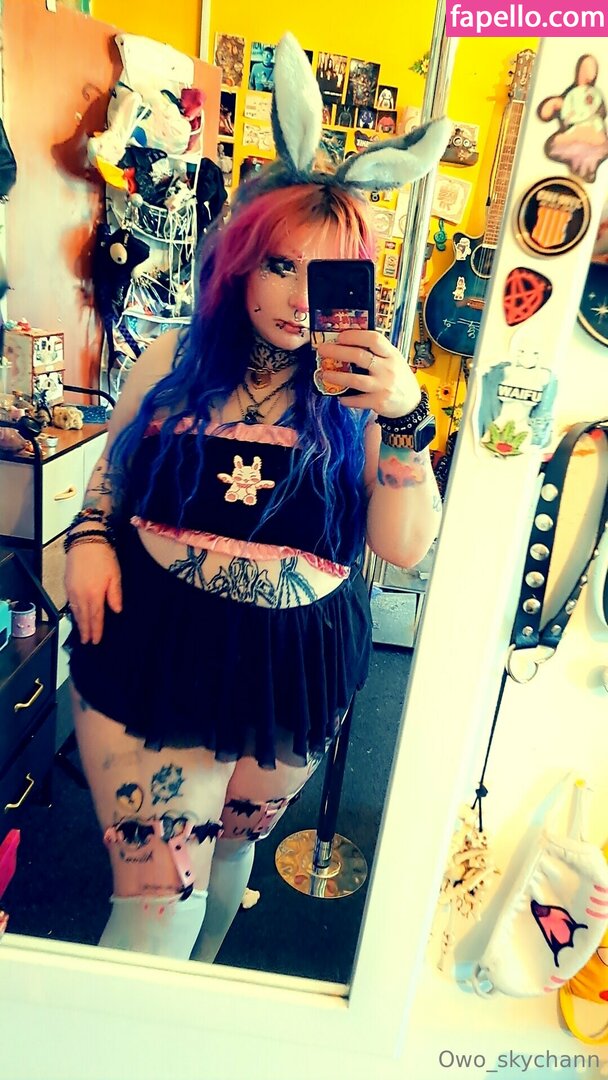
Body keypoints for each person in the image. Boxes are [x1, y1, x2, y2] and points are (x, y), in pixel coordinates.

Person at [64, 32, 447, 964]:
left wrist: (405, 415)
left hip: (292, 666)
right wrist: (89, 537)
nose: (300, 298)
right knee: (159, 902)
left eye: (327, 275)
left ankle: (194, 1009)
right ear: (240, 260)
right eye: (280, 265)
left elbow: (403, 546)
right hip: (159, 643)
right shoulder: (174, 360)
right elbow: (115, 467)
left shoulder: (363, 394)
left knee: (232, 859)